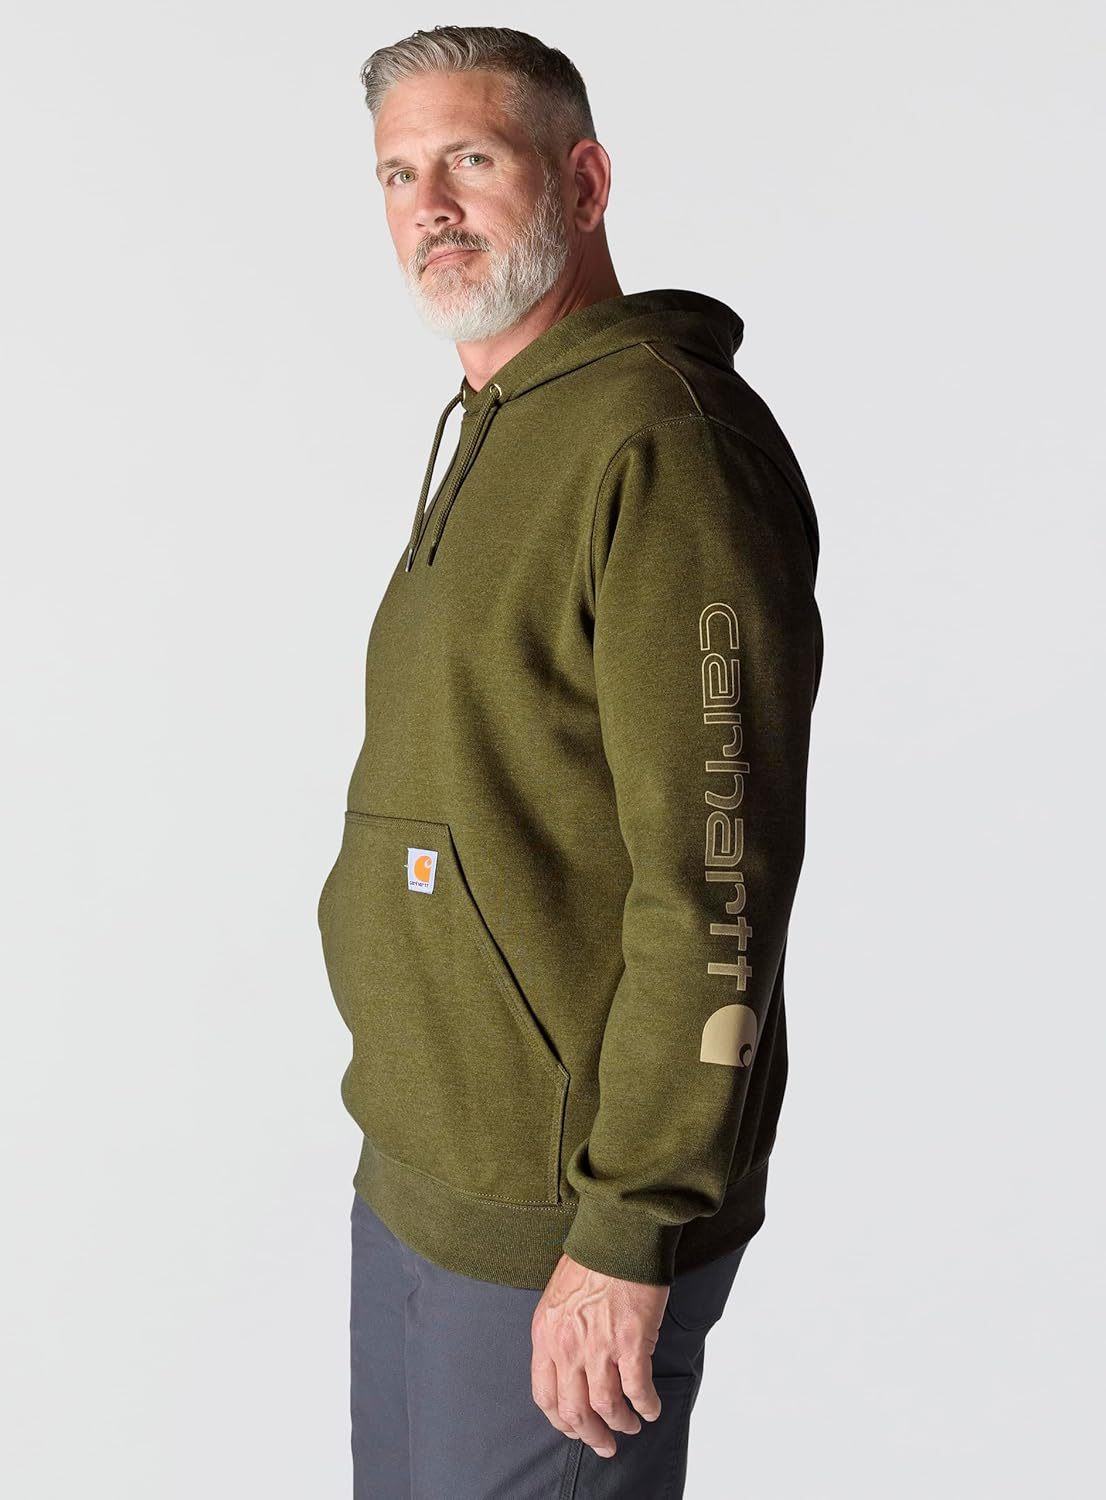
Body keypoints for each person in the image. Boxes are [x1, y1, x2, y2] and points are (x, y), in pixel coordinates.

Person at [316, 24, 824, 1498]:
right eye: (398, 174)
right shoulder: (497, 423)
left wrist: (627, 1228)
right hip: (423, 1169)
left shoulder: (661, 444)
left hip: (567, 1223)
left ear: (584, 183)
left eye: (471, 159)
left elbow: (717, 875)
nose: (430, 207)